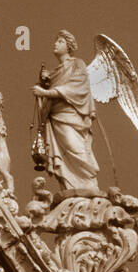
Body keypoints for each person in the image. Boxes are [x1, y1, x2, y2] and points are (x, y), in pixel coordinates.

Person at [31, 31, 100, 193]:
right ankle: (70, 185)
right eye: (56, 41)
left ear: (68, 46)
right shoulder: (55, 72)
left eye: (60, 42)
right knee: (63, 153)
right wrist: (46, 84)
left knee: (74, 147)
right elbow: (50, 96)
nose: (55, 44)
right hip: (56, 118)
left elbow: (77, 87)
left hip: (72, 117)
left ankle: (88, 184)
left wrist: (45, 92)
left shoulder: (78, 64)